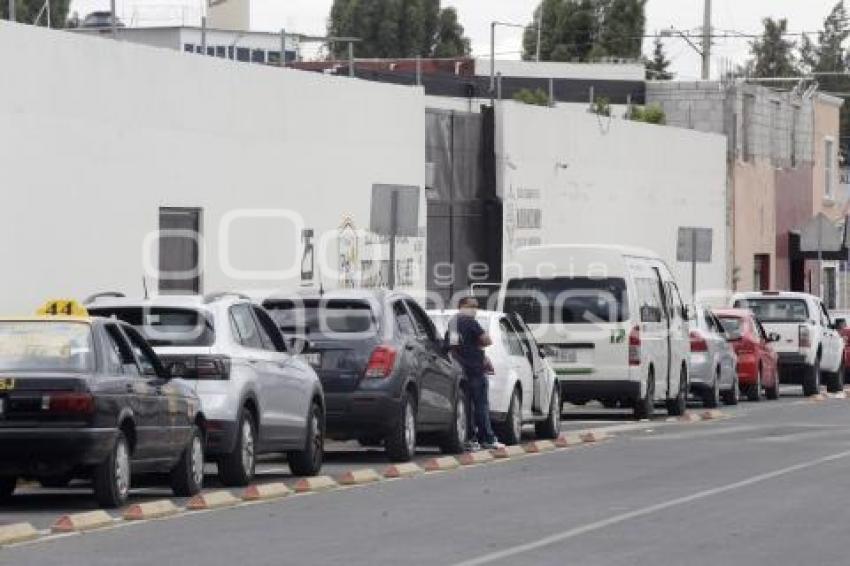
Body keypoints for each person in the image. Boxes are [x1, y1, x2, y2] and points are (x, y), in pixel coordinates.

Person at [446, 297, 504, 451]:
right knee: (481, 406)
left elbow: (452, 345)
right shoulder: (470, 322)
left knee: (466, 408)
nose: (475, 309)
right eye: (471, 306)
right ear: (462, 306)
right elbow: (487, 340)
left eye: (476, 306)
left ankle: (470, 439)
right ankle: (487, 439)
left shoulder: (452, 322)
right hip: (475, 369)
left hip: (460, 370)